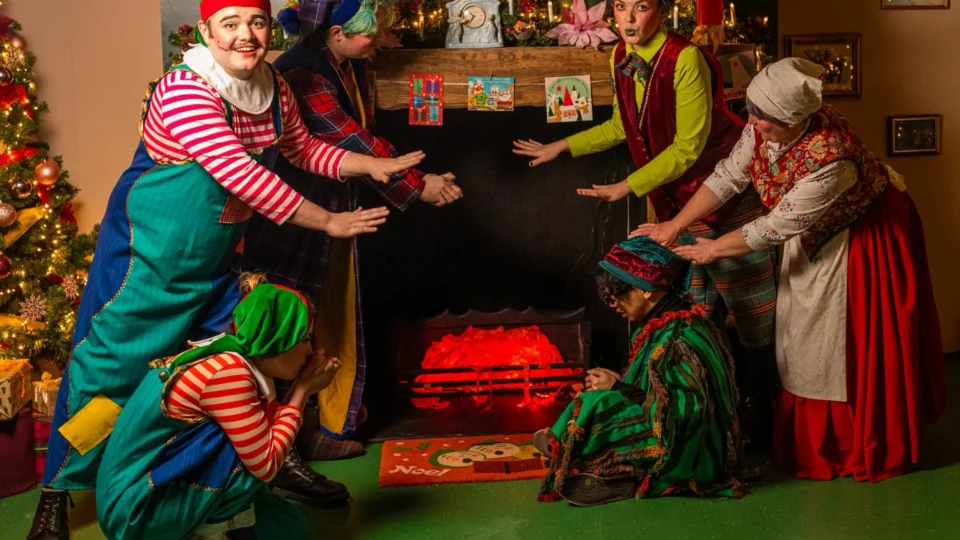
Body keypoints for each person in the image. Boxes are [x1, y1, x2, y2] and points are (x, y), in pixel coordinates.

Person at [28, 1, 425, 537]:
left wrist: (368, 164)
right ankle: (57, 491)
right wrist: (329, 221)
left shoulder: (274, 88)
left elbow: (303, 149)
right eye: (231, 23)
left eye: (257, 22)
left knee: (248, 364)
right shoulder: (186, 88)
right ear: (206, 30)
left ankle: (268, 466)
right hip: (145, 264)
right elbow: (241, 174)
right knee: (106, 371)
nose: (247, 36)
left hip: (215, 262)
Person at [635, 58, 948, 482]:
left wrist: (712, 252)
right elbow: (730, 176)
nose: (754, 124)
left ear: (795, 119)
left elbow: (775, 226)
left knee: (823, 339)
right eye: (753, 113)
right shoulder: (762, 120)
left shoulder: (832, 162)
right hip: (809, 226)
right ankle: (801, 438)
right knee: (795, 334)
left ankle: (841, 444)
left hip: (859, 234)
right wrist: (674, 225)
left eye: (764, 120)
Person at [512, 0, 777, 443]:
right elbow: (623, 126)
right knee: (700, 317)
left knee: (754, 321)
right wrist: (561, 146)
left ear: (662, 11)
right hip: (681, 209)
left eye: (642, 7)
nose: (630, 19)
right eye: (620, 8)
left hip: (728, 201)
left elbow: (688, 149)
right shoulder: (620, 56)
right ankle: (711, 420)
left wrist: (625, 187)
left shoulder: (687, 58)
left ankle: (768, 422)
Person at [240, 0, 463, 472]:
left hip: (331, 208)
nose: (379, 40)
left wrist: (418, 177)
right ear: (336, 33)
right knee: (295, 318)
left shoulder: (343, 62)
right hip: (293, 216)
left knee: (330, 314)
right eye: (369, 34)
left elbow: (366, 138)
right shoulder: (304, 73)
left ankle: (325, 419)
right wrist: (419, 186)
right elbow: (348, 142)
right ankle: (294, 433)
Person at [96, 277, 335, 540]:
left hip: (142, 495)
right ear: (278, 338)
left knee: (289, 527)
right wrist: (302, 390)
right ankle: (207, 532)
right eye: (304, 339)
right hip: (136, 512)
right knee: (246, 454)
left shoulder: (232, 355)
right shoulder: (229, 373)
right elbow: (265, 463)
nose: (310, 351)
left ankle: (223, 521)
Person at [534, 236, 742, 506]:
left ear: (645, 289)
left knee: (594, 402)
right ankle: (595, 466)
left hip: (693, 454)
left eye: (619, 294)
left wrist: (619, 389)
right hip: (673, 428)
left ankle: (618, 473)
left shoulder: (678, 338)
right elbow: (659, 389)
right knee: (599, 400)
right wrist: (619, 382)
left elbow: (683, 415)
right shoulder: (666, 324)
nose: (613, 304)